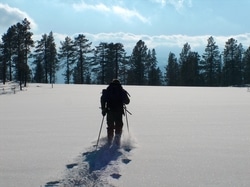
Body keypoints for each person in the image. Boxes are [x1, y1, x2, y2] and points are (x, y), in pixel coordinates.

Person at [100, 79, 130, 145]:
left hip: (110, 110)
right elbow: (127, 101)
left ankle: (109, 140)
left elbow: (102, 100)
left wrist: (103, 109)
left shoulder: (108, 90)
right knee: (119, 125)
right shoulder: (121, 90)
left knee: (110, 125)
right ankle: (117, 140)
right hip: (119, 111)